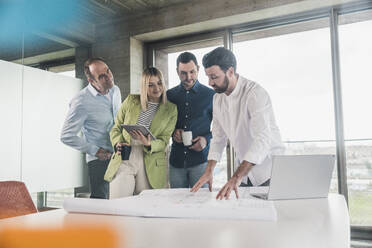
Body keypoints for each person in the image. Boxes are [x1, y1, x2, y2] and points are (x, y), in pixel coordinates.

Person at [191, 47, 285, 199]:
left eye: (214, 77)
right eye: (208, 77)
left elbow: (262, 140)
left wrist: (236, 177)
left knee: (271, 219)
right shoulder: (217, 98)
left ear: (230, 71)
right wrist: (209, 170)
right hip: (245, 173)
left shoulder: (254, 93)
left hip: (269, 172)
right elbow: (218, 138)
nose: (210, 83)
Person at [104, 67, 177, 198]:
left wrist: (149, 144)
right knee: (118, 203)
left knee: (146, 207)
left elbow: (165, 140)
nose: (157, 88)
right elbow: (116, 128)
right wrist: (118, 142)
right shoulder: (131, 100)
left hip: (150, 158)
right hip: (126, 156)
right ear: (144, 86)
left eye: (159, 83)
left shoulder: (171, 109)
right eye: (151, 85)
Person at [61, 58, 122, 199]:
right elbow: (66, 135)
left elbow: (117, 120)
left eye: (108, 71)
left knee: (119, 201)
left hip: (118, 156)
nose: (109, 77)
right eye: (102, 76)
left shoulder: (115, 90)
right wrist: (96, 151)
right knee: (100, 204)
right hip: (99, 161)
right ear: (92, 81)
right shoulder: (81, 101)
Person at [167, 52, 215, 188]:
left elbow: (221, 128)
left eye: (192, 72)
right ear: (177, 71)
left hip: (201, 162)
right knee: (176, 204)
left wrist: (206, 139)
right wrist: (173, 133)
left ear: (198, 69)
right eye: (183, 73)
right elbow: (163, 125)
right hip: (176, 162)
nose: (188, 77)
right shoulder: (169, 96)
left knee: (201, 205)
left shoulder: (211, 95)